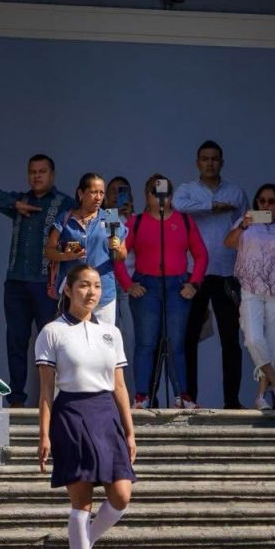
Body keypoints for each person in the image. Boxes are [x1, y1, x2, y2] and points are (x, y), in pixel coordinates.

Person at [35, 264, 136, 549]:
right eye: (83, 285)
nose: (91, 292)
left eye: (96, 286)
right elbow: (46, 390)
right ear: (68, 289)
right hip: (71, 414)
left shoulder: (111, 332)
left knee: (121, 495)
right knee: (82, 501)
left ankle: (83, 543)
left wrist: (130, 431)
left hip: (106, 414)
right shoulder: (52, 332)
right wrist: (44, 433)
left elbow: (119, 386)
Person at [0, 154, 76, 407]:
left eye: (42, 171)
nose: (36, 176)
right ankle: (16, 398)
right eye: (32, 171)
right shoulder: (21, 200)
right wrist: (15, 204)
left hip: (46, 284)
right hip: (16, 282)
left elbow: (81, 229)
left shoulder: (64, 204)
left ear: (52, 175)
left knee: (50, 341)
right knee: (16, 340)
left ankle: (54, 397)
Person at [115, 174, 209, 409]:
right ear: (146, 195)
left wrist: (194, 283)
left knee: (176, 344)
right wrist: (128, 284)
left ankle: (182, 395)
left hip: (178, 287)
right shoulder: (135, 222)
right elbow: (117, 255)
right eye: (155, 193)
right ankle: (142, 396)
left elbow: (201, 255)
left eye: (165, 193)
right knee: (145, 344)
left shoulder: (184, 221)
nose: (161, 198)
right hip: (146, 287)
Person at [173, 140, 249, 408]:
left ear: (222, 162)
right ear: (197, 163)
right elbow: (177, 206)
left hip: (227, 273)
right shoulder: (186, 190)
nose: (210, 163)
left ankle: (232, 401)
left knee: (230, 339)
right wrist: (213, 205)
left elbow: (246, 226)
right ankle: (190, 399)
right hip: (195, 274)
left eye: (214, 159)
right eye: (205, 159)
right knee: (189, 338)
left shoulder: (236, 192)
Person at [224, 184, 275, 410]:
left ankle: (261, 397)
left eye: (271, 201)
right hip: (250, 288)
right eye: (262, 201)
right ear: (256, 202)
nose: (266, 205)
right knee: (253, 339)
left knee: (273, 345)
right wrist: (243, 226)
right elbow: (228, 243)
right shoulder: (245, 224)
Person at [45, 173, 127, 324]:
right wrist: (66, 256)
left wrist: (117, 248)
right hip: (73, 294)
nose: (98, 197)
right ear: (81, 193)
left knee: (102, 336)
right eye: (93, 192)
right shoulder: (66, 218)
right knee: (73, 335)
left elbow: (122, 255)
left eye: (101, 193)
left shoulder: (110, 217)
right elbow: (49, 251)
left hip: (103, 294)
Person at [105, 176, 137, 398]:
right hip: (110, 284)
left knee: (131, 341)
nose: (117, 195)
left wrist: (130, 217)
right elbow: (113, 251)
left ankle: (133, 395)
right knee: (109, 339)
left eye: (122, 191)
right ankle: (110, 394)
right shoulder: (106, 217)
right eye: (113, 191)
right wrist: (113, 213)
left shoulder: (136, 219)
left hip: (131, 285)